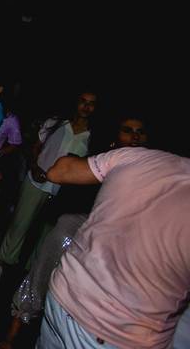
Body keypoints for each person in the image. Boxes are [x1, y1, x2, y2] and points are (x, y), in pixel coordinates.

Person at [0, 113, 150, 349]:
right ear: (115, 137)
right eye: (128, 130)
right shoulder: (106, 159)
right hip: (83, 225)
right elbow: (59, 172)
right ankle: (13, 331)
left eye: (140, 132)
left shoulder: (154, 169)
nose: (135, 136)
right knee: (54, 248)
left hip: (121, 242)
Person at [37, 146, 189, 348]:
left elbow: (59, 170)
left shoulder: (137, 156)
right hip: (111, 329)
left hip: (64, 296)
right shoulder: (134, 155)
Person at [0, 89, 97, 283]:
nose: (86, 107)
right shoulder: (56, 123)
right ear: (76, 102)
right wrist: (34, 166)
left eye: (91, 103)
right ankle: (1, 263)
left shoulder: (93, 138)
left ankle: (32, 274)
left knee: (48, 235)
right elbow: (35, 147)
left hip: (64, 192)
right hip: (37, 181)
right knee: (20, 223)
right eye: (83, 101)